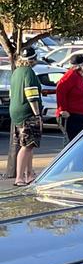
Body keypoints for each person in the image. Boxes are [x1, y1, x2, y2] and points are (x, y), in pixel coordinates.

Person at [9, 46, 43, 186]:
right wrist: (37, 114)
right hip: (27, 112)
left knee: (29, 144)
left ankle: (29, 174)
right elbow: (31, 95)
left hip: (15, 112)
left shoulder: (16, 72)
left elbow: (12, 93)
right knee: (27, 145)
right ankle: (19, 177)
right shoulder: (29, 72)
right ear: (33, 59)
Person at [55, 54, 83, 140]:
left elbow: (77, 90)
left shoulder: (78, 77)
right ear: (79, 65)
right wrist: (62, 109)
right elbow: (60, 89)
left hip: (81, 115)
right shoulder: (71, 75)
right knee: (73, 143)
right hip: (74, 116)